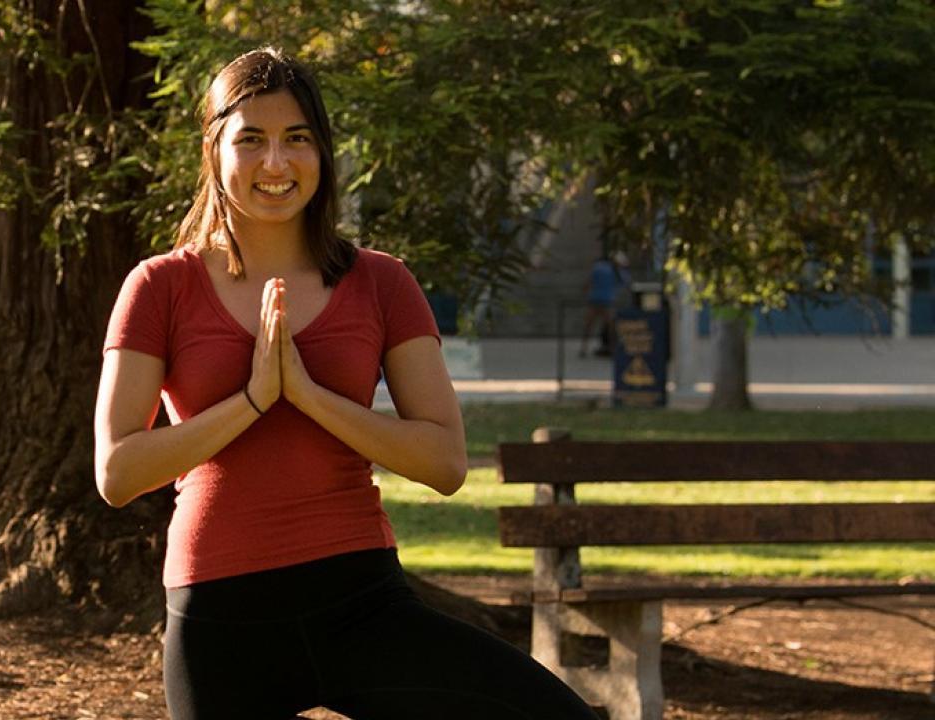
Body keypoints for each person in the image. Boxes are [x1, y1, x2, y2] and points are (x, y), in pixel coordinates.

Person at [94, 47, 598, 720]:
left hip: (359, 600)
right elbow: (118, 472)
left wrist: (307, 394)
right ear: (214, 152)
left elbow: (445, 462)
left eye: (297, 139)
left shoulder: (382, 282)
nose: (277, 164)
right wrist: (251, 400)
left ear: (323, 153)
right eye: (252, 141)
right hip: (219, 613)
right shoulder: (160, 287)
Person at [578, 251, 628, 358]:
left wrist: (585, 291)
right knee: (610, 327)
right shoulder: (618, 272)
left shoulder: (599, 267)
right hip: (607, 301)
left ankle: (583, 348)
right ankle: (612, 348)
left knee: (589, 326)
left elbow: (589, 282)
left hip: (594, 300)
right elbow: (623, 284)